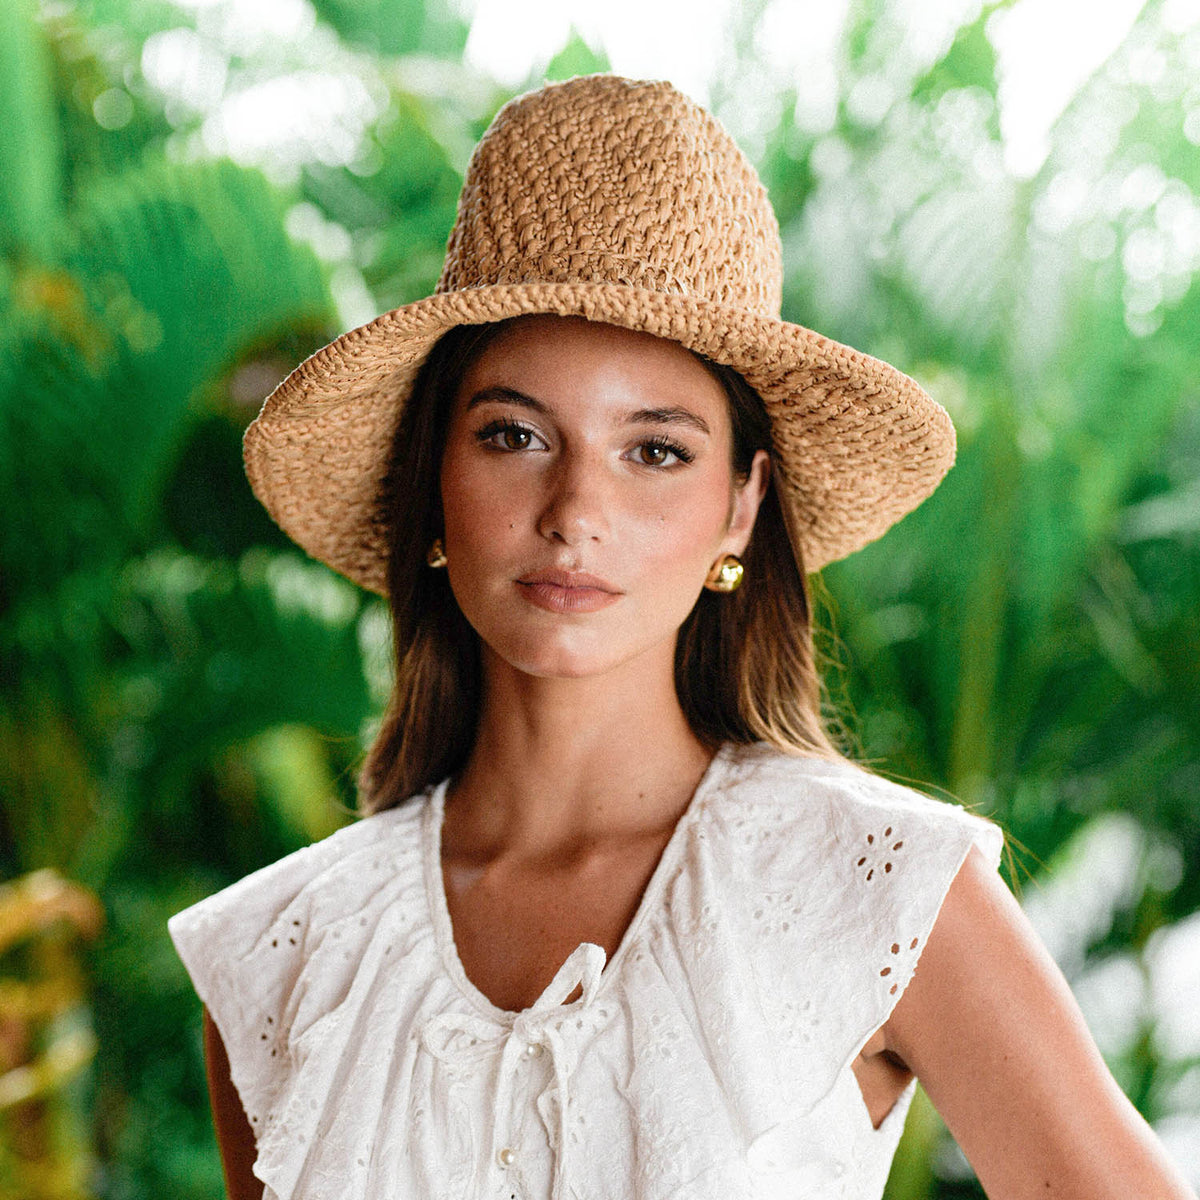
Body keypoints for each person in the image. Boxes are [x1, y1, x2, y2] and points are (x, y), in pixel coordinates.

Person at [169, 75, 1195, 1200]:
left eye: (654, 450)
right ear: (434, 481)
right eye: (513, 435)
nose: (575, 513)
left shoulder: (875, 886)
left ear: (741, 508)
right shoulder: (287, 955)